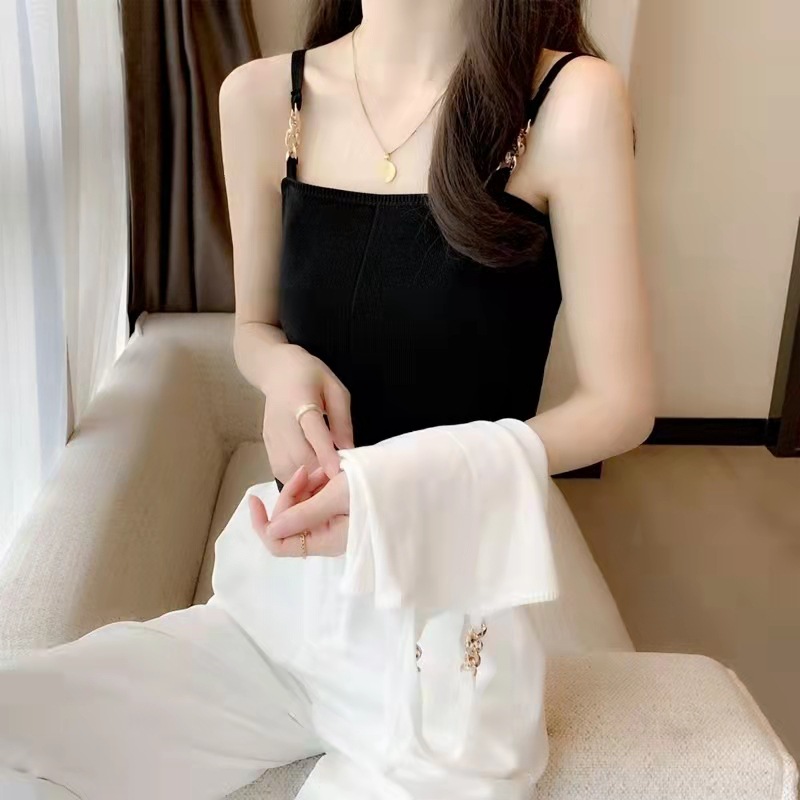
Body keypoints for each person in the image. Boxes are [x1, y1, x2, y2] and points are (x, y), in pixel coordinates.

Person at [0, 0, 654, 798]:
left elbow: (621, 404)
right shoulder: (261, 99)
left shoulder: (568, 101)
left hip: (444, 637)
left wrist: (397, 482)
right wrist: (281, 371)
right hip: (277, 608)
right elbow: (254, 326)